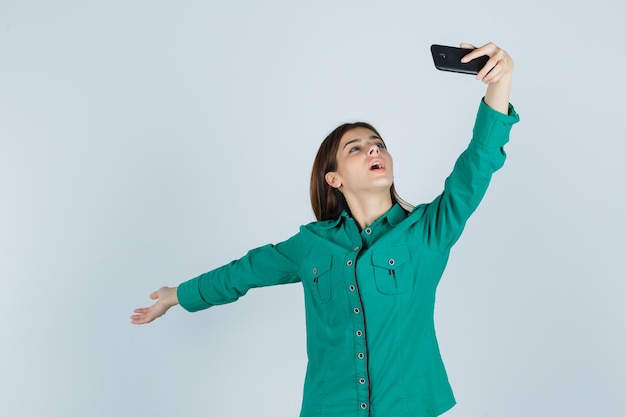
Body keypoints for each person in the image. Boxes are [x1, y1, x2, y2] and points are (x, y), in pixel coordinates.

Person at [131, 42, 520, 417]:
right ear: (333, 179)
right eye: (356, 148)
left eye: (378, 144)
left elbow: (478, 163)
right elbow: (243, 272)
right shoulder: (312, 246)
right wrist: (175, 295)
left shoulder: (429, 230)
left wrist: (500, 81)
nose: (373, 150)